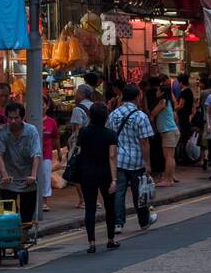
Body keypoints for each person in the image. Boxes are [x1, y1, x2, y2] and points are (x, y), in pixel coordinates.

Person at [106, 83, 157, 234]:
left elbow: (109, 138)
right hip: (137, 160)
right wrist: (147, 163)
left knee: (119, 192)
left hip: (118, 160)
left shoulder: (113, 114)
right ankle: (143, 221)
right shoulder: (140, 116)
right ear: (137, 97)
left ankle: (118, 223)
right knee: (139, 192)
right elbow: (144, 141)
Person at [76, 104, 119, 253]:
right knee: (109, 207)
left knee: (90, 208)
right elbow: (112, 156)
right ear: (106, 117)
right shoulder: (111, 134)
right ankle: (110, 239)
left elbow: (79, 151)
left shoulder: (83, 132)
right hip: (105, 174)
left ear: (90, 116)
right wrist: (114, 179)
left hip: (87, 173)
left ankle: (91, 243)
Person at [0, 101, 41, 229]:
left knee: (27, 216)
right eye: (10, 118)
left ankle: (23, 240)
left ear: (23, 118)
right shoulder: (1, 131)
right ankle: (13, 241)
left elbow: (36, 154)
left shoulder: (31, 131)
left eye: (16, 118)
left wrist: (33, 175)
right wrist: (4, 174)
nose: (13, 121)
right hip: (9, 179)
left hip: (27, 179)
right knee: (8, 215)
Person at [149, 80, 179, 187]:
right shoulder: (168, 101)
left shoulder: (163, 102)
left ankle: (167, 180)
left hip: (169, 131)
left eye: (158, 90)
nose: (156, 92)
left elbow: (153, 112)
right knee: (170, 157)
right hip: (171, 131)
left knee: (168, 157)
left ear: (162, 92)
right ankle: (170, 178)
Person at [42, 91, 59, 212]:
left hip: (46, 153)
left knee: (45, 177)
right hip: (32, 153)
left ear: (47, 106)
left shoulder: (51, 122)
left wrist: (58, 151)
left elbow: (56, 137)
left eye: (43, 104)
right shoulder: (29, 119)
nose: (40, 106)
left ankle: (44, 202)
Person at [175, 74, 194, 165]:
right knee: (185, 138)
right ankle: (185, 157)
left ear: (181, 83)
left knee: (182, 138)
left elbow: (181, 105)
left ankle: (183, 157)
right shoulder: (189, 91)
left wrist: (173, 109)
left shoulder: (184, 92)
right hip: (187, 117)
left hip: (183, 118)